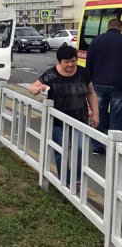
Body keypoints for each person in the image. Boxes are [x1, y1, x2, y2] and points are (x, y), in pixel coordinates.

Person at [29, 45, 99, 187]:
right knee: (61, 151)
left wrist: (95, 114)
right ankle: (64, 180)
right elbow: (32, 88)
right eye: (66, 62)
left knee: (79, 149)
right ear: (60, 61)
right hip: (57, 121)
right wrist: (39, 89)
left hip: (80, 119)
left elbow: (91, 93)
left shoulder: (83, 73)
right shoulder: (52, 74)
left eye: (73, 61)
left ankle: (77, 180)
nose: (70, 65)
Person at [86, 18, 122, 155]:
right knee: (117, 115)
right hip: (119, 85)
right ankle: (115, 148)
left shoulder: (96, 41)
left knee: (98, 114)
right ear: (120, 28)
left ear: (108, 27)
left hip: (98, 84)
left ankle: (97, 146)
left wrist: (88, 83)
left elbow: (89, 63)